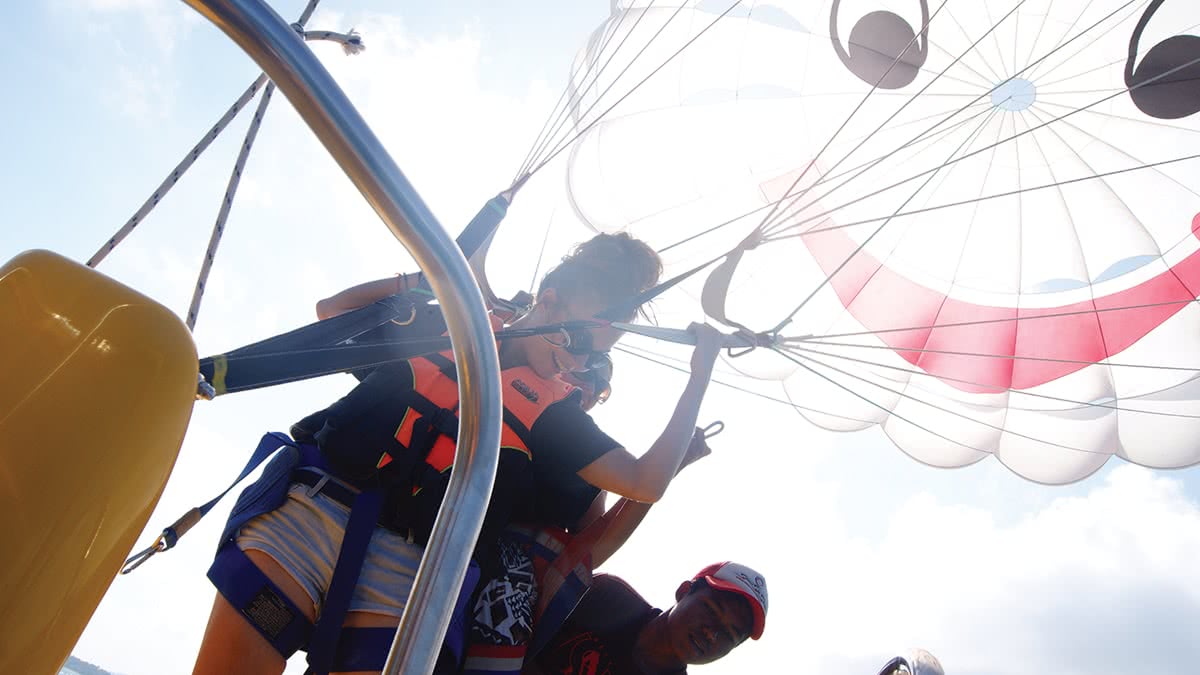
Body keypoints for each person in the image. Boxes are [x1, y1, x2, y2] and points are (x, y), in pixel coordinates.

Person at [192, 232, 725, 675]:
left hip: (413, 571)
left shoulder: (552, 412)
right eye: (577, 342)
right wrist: (427, 283)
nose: (574, 365)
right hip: (311, 516)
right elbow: (334, 313)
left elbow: (644, 481)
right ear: (551, 300)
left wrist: (699, 375)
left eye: (594, 357)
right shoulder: (452, 323)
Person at [524, 561, 768, 675]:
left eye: (729, 635)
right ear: (684, 591)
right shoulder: (608, 598)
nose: (711, 633)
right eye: (712, 610)